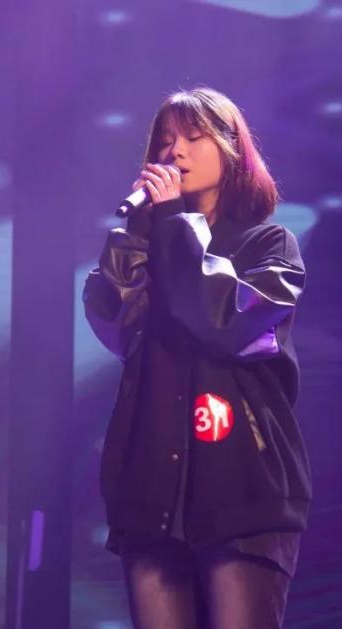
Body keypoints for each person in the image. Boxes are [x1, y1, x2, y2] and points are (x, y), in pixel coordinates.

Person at [83, 86, 312, 629]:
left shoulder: (269, 245)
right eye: (165, 141)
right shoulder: (149, 242)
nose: (175, 152)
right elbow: (112, 322)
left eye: (193, 136)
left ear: (232, 149)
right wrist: (138, 233)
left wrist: (171, 226)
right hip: (150, 496)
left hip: (243, 491)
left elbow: (221, 319)